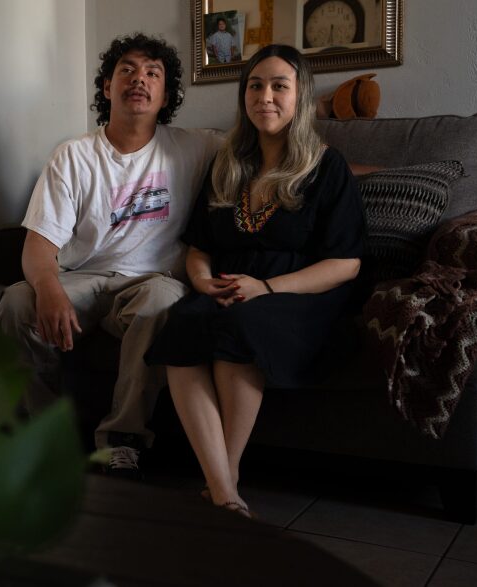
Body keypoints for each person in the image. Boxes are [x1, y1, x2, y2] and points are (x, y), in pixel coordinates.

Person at [145, 44, 365, 517]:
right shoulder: (227, 165)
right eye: (255, 85)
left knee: (240, 329)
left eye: (279, 86)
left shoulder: (328, 167)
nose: (266, 96)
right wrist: (202, 282)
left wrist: (267, 288)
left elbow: (346, 264)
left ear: (300, 96)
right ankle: (224, 489)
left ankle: (227, 481)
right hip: (230, 286)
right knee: (182, 323)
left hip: (301, 292)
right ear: (244, 96)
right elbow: (199, 245)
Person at [0, 33, 221, 479]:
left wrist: (358, 170)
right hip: (82, 277)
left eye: (152, 73)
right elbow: (39, 245)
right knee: (16, 302)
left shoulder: (196, 147)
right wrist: (48, 288)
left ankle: (122, 441)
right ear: (106, 87)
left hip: (150, 282)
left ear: (166, 95)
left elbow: (276, 157)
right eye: (128, 70)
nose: (140, 79)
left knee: (163, 303)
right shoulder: (73, 156)